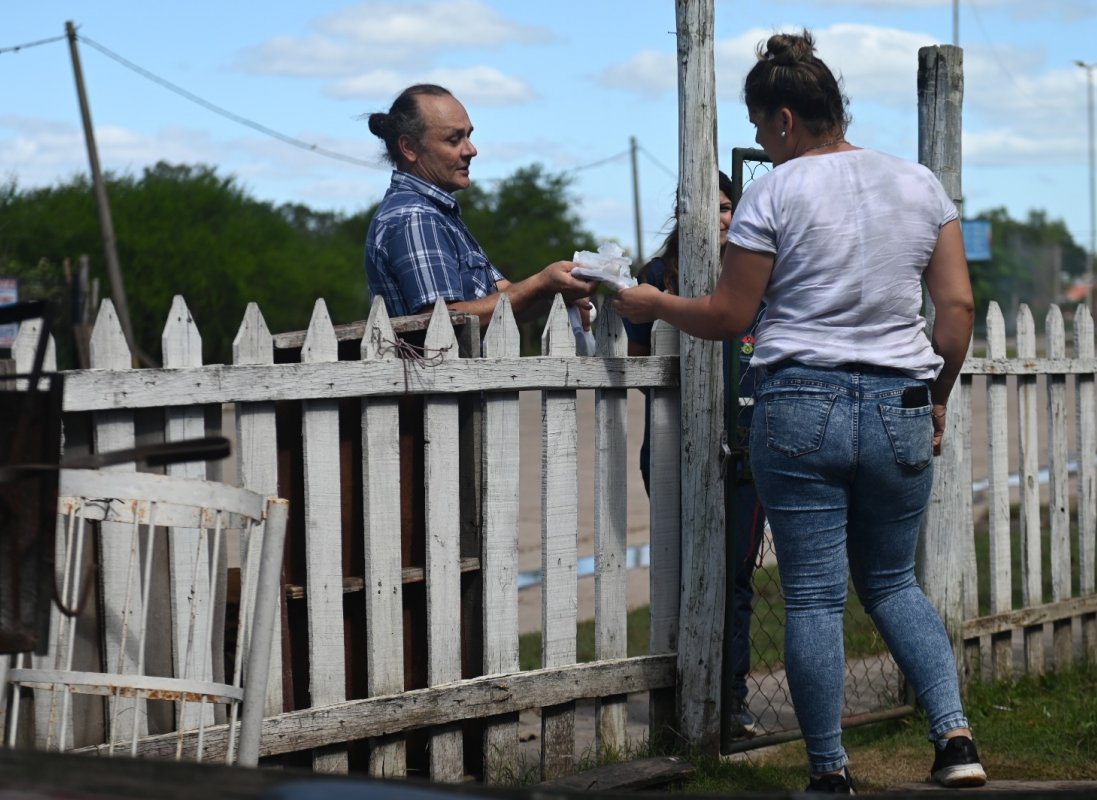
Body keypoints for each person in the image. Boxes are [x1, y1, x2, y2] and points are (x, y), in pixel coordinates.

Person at [614, 30, 982, 793]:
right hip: (900, 404)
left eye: (758, 126)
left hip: (800, 402)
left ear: (784, 120)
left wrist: (654, 304)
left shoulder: (773, 192)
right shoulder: (920, 185)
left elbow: (727, 314)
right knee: (893, 583)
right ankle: (954, 739)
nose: (760, 140)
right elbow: (956, 311)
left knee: (814, 594)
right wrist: (938, 396)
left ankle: (829, 773)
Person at [624, 172, 766, 740]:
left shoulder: (756, 271)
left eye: (727, 207)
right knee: (680, 573)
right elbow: (640, 365)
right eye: (705, 207)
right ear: (683, 215)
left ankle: (730, 699)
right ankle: (682, 696)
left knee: (735, 576)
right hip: (672, 447)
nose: (718, 218)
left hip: (746, 448)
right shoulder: (656, 277)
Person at [364, 84, 594, 329]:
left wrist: (555, 293)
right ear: (409, 148)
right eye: (454, 140)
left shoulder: (438, 214)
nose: (471, 150)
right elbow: (441, 322)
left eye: (468, 136)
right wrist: (539, 284)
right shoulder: (415, 217)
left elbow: (505, 299)